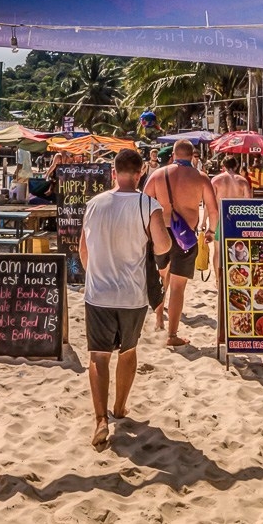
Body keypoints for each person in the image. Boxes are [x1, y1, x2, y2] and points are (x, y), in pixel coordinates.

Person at [77, 148, 171, 450]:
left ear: (113, 173)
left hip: (98, 293)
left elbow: (82, 250)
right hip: (131, 294)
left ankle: (101, 419)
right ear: (141, 173)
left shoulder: (93, 204)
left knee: (98, 357)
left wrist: (97, 274)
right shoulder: (148, 204)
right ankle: (119, 407)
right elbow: (162, 245)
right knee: (128, 352)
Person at [144, 138, 217, 348]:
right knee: (177, 287)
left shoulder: (158, 175)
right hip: (185, 236)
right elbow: (213, 210)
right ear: (192, 155)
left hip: (160, 233)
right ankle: (172, 334)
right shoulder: (201, 177)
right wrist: (211, 231)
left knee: (161, 278)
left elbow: (141, 204)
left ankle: (159, 319)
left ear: (174, 154)